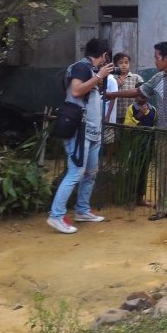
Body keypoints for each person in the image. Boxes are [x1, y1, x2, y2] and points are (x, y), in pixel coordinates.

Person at [108, 41, 167, 220]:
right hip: (163, 133)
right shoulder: (157, 78)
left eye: (156, 57)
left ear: (166, 58)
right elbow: (139, 92)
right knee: (164, 172)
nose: (155, 61)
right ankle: (163, 208)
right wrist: (114, 94)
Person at [48, 38, 113, 234]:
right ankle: (56, 215)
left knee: (90, 173)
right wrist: (99, 76)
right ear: (103, 56)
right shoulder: (81, 67)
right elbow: (76, 91)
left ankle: (82, 210)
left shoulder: (90, 71)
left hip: (92, 130)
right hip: (80, 129)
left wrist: (98, 79)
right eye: (105, 59)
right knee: (76, 172)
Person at [112, 52, 143, 122]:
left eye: (126, 63)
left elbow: (142, 94)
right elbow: (107, 95)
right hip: (117, 115)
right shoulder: (112, 79)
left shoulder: (136, 78)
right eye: (121, 63)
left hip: (133, 115)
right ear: (115, 65)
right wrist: (117, 85)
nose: (124, 65)